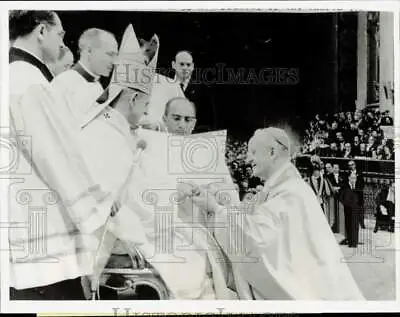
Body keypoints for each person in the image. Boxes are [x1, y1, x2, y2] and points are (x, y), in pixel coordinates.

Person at [9, 10, 118, 300]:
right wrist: (98, 208)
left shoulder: (12, 74)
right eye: (60, 34)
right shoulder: (29, 80)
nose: (62, 42)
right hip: (43, 229)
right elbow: (55, 155)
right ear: (41, 31)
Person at [190, 127, 365, 300]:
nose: (248, 158)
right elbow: (254, 217)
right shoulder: (280, 186)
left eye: (253, 152)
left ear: (272, 152)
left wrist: (216, 209)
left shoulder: (291, 191)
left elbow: (257, 238)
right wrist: (222, 204)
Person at [52, 28, 118, 124]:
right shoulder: (63, 83)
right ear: (89, 51)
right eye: (110, 54)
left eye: (116, 55)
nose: (114, 61)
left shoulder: (98, 86)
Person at [339, 172, 364, 248]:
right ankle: (350, 241)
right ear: (349, 178)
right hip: (348, 209)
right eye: (352, 178)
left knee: (355, 225)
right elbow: (341, 197)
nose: (354, 180)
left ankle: (355, 242)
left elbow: (361, 198)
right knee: (349, 224)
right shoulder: (345, 186)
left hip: (356, 208)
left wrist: (360, 206)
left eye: (355, 178)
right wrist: (346, 204)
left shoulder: (358, 187)